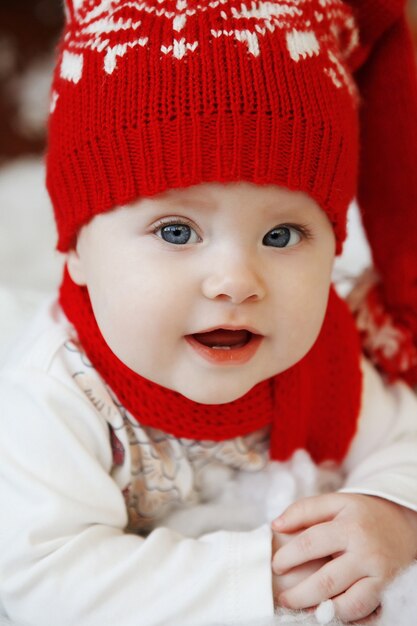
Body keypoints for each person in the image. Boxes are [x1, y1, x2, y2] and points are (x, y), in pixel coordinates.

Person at [1, 1, 417, 625]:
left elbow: (406, 438)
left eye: (281, 236)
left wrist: (390, 508)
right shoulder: (58, 392)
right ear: (77, 250)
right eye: (176, 231)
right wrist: (262, 572)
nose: (234, 282)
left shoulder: (326, 353)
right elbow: (38, 576)